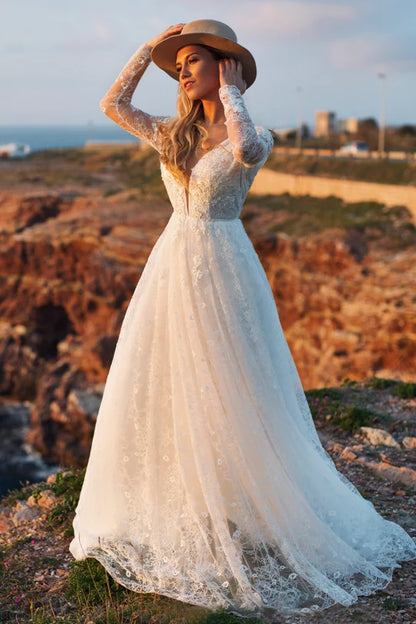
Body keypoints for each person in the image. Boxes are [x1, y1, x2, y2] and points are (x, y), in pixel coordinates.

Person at [69, 19, 416, 619]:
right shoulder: (172, 133)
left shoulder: (253, 133)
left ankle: (247, 494)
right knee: (171, 379)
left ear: (224, 66)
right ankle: (191, 494)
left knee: (233, 380)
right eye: (179, 65)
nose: (182, 70)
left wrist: (232, 92)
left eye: (193, 60)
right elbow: (112, 103)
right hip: (171, 262)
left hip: (224, 263)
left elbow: (250, 151)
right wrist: (150, 48)